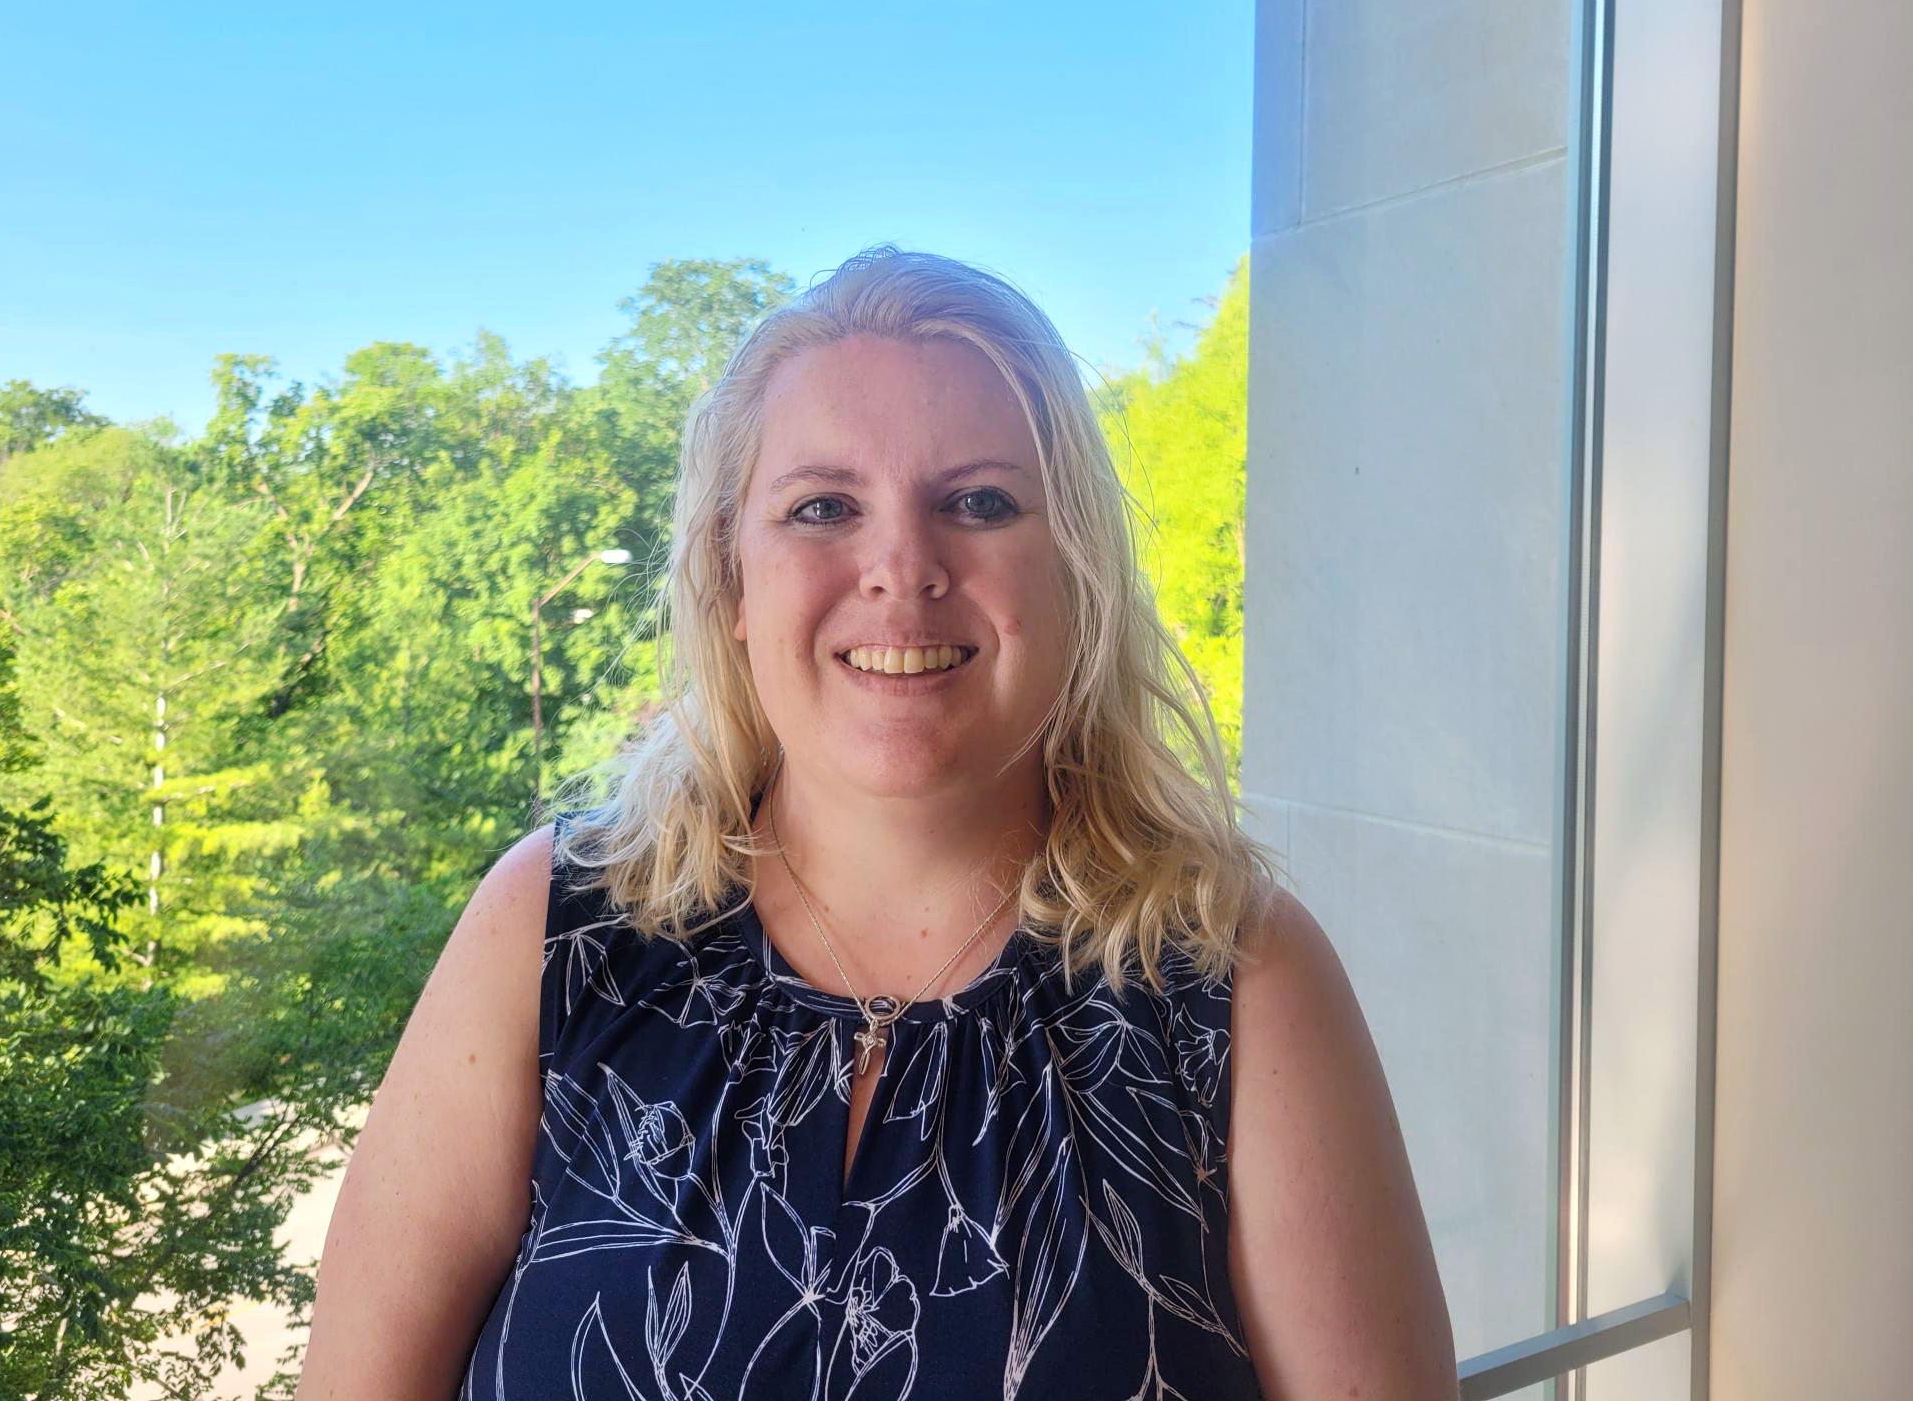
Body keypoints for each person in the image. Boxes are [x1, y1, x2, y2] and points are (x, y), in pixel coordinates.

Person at [296, 247, 1457, 1399]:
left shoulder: (1236, 979)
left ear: (1074, 573)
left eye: (981, 502)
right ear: (733, 583)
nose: (902, 567)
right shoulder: (556, 932)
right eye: (822, 508)